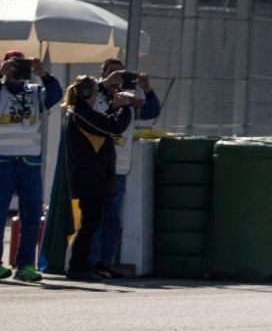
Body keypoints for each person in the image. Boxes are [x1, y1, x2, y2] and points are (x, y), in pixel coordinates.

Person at [89, 57, 161, 277]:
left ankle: (104, 261)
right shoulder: (94, 97)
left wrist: (147, 90)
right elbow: (80, 106)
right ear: (103, 74)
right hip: (94, 166)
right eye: (113, 74)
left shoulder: (128, 101)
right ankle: (88, 261)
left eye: (121, 75)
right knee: (93, 218)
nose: (117, 79)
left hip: (118, 168)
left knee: (112, 217)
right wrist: (103, 86)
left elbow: (151, 111)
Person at [62, 75, 133, 281]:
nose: (95, 96)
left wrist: (117, 108)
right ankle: (77, 266)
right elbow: (112, 127)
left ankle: (83, 264)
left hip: (96, 178)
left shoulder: (85, 114)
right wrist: (125, 107)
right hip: (88, 178)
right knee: (89, 223)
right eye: (93, 92)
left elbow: (103, 124)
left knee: (92, 222)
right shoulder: (79, 113)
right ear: (85, 94)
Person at [0, 50, 62, 282]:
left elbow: (56, 94)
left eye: (21, 65)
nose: (18, 71)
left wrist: (43, 74)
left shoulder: (36, 91)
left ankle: (25, 264)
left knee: (32, 214)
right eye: (13, 66)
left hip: (29, 162)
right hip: (3, 161)